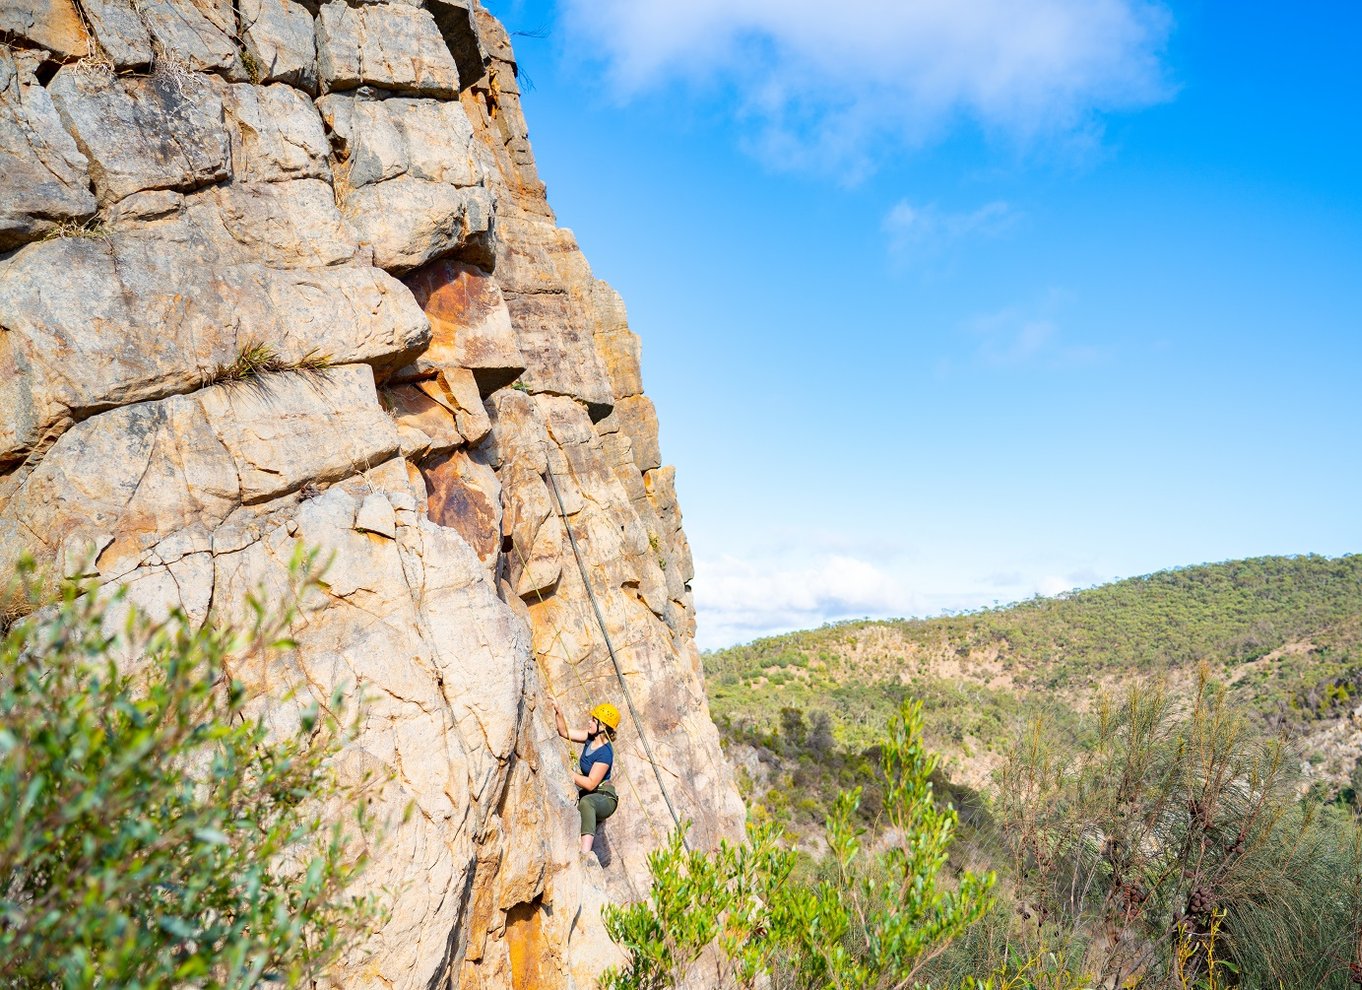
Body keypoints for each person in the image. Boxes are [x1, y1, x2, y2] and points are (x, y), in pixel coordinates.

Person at [554, 700, 620, 856]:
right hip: (592, 792)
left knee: (587, 802)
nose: (589, 722)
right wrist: (559, 712)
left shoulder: (605, 753)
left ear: (602, 726)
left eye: (593, 720)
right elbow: (564, 732)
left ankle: (585, 853)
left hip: (605, 797)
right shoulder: (590, 738)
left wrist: (569, 773)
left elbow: (590, 784)